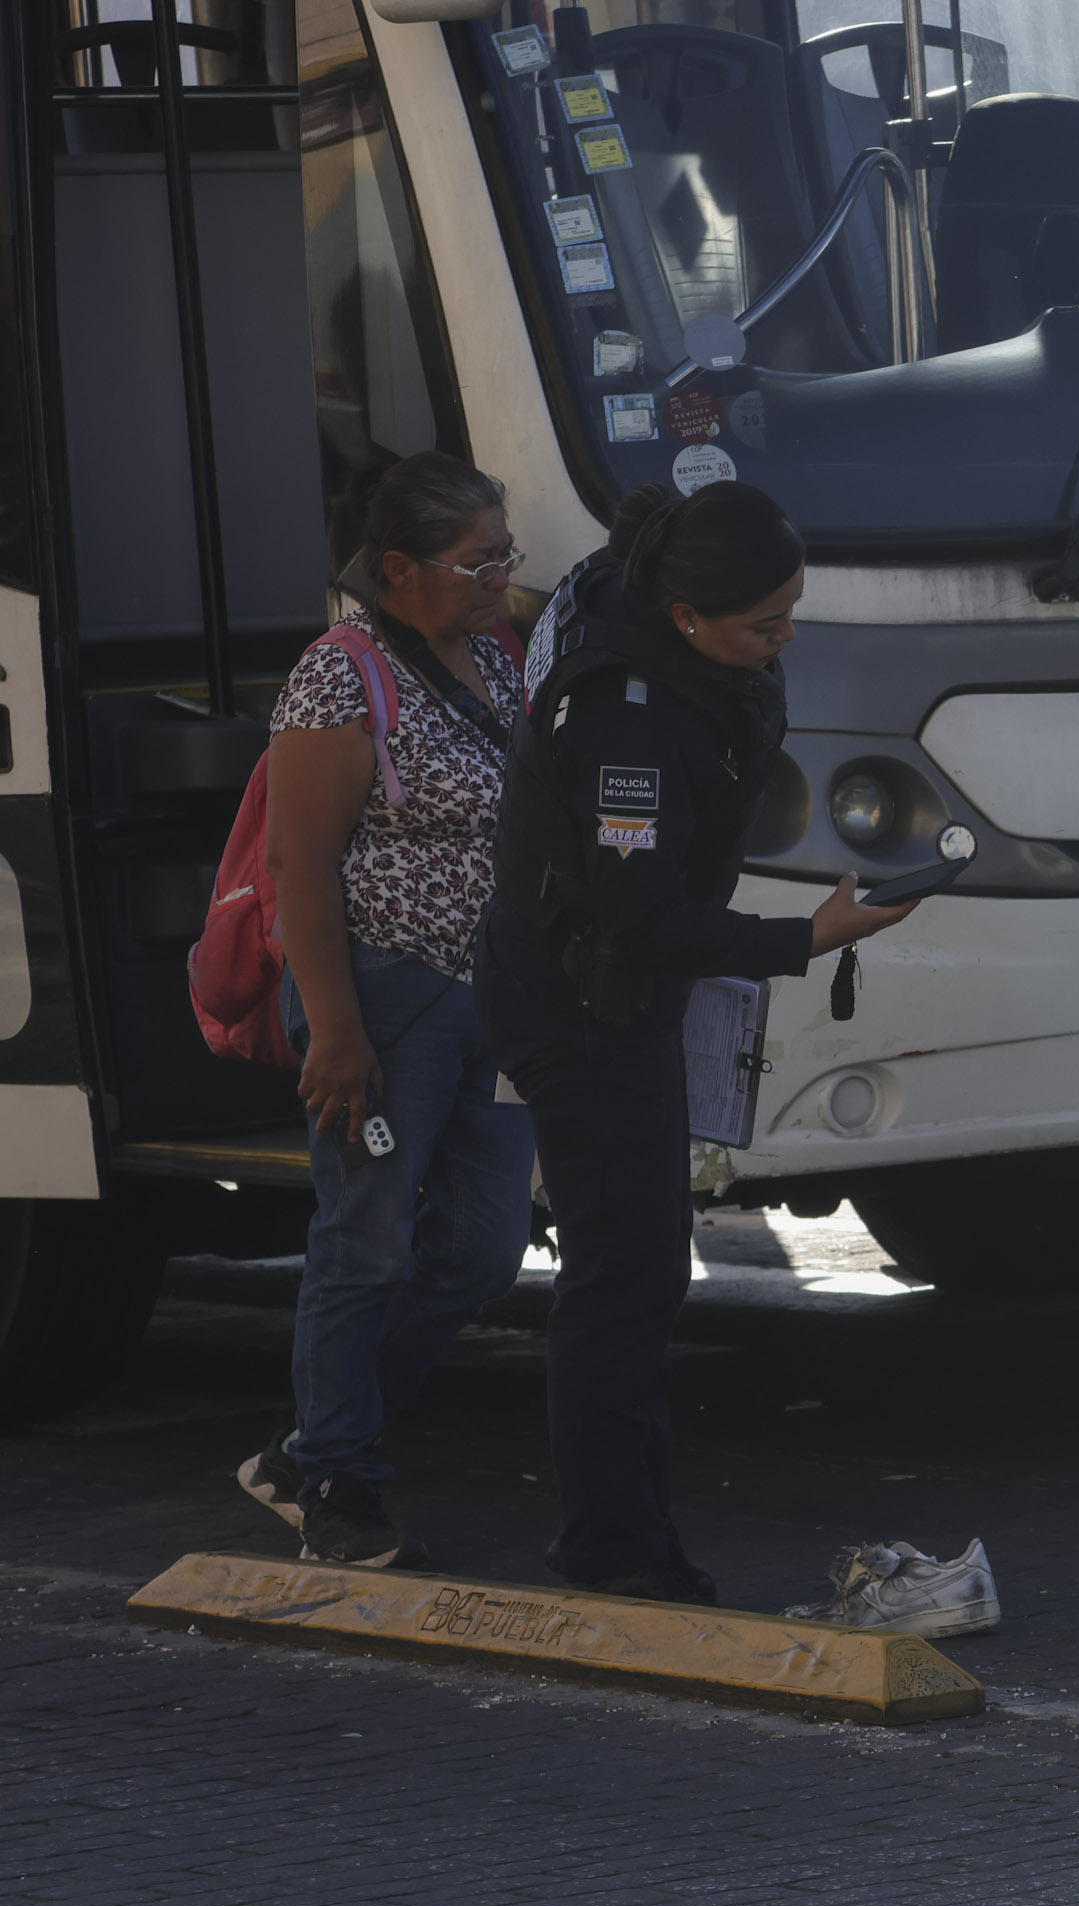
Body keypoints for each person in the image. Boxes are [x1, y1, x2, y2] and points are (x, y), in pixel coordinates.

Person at [478, 480, 912, 1603]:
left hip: (611, 988)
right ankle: (613, 1550)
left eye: (792, 612)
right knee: (624, 1278)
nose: (786, 639)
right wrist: (804, 938)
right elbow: (638, 918)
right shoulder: (626, 718)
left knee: (637, 1267)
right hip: (583, 1002)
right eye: (765, 626)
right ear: (685, 617)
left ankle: (621, 1535)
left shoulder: (654, 616)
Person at [235, 451, 538, 1568]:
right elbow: (300, 865)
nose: (499, 578)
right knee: (365, 1245)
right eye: (477, 561)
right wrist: (337, 1029)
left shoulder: (498, 657)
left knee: (485, 1248)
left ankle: (308, 1443)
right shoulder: (338, 675)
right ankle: (338, 1479)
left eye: (505, 554)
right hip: (383, 995)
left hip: (492, 999)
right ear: (400, 568)